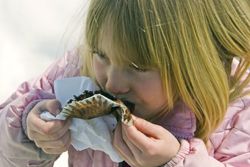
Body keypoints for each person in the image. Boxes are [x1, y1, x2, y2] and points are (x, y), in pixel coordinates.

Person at [1, 0, 250, 166]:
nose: (112, 83)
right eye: (102, 54)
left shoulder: (238, 111)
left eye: (138, 67)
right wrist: (27, 131)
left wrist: (175, 162)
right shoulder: (78, 69)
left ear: (196, 63)